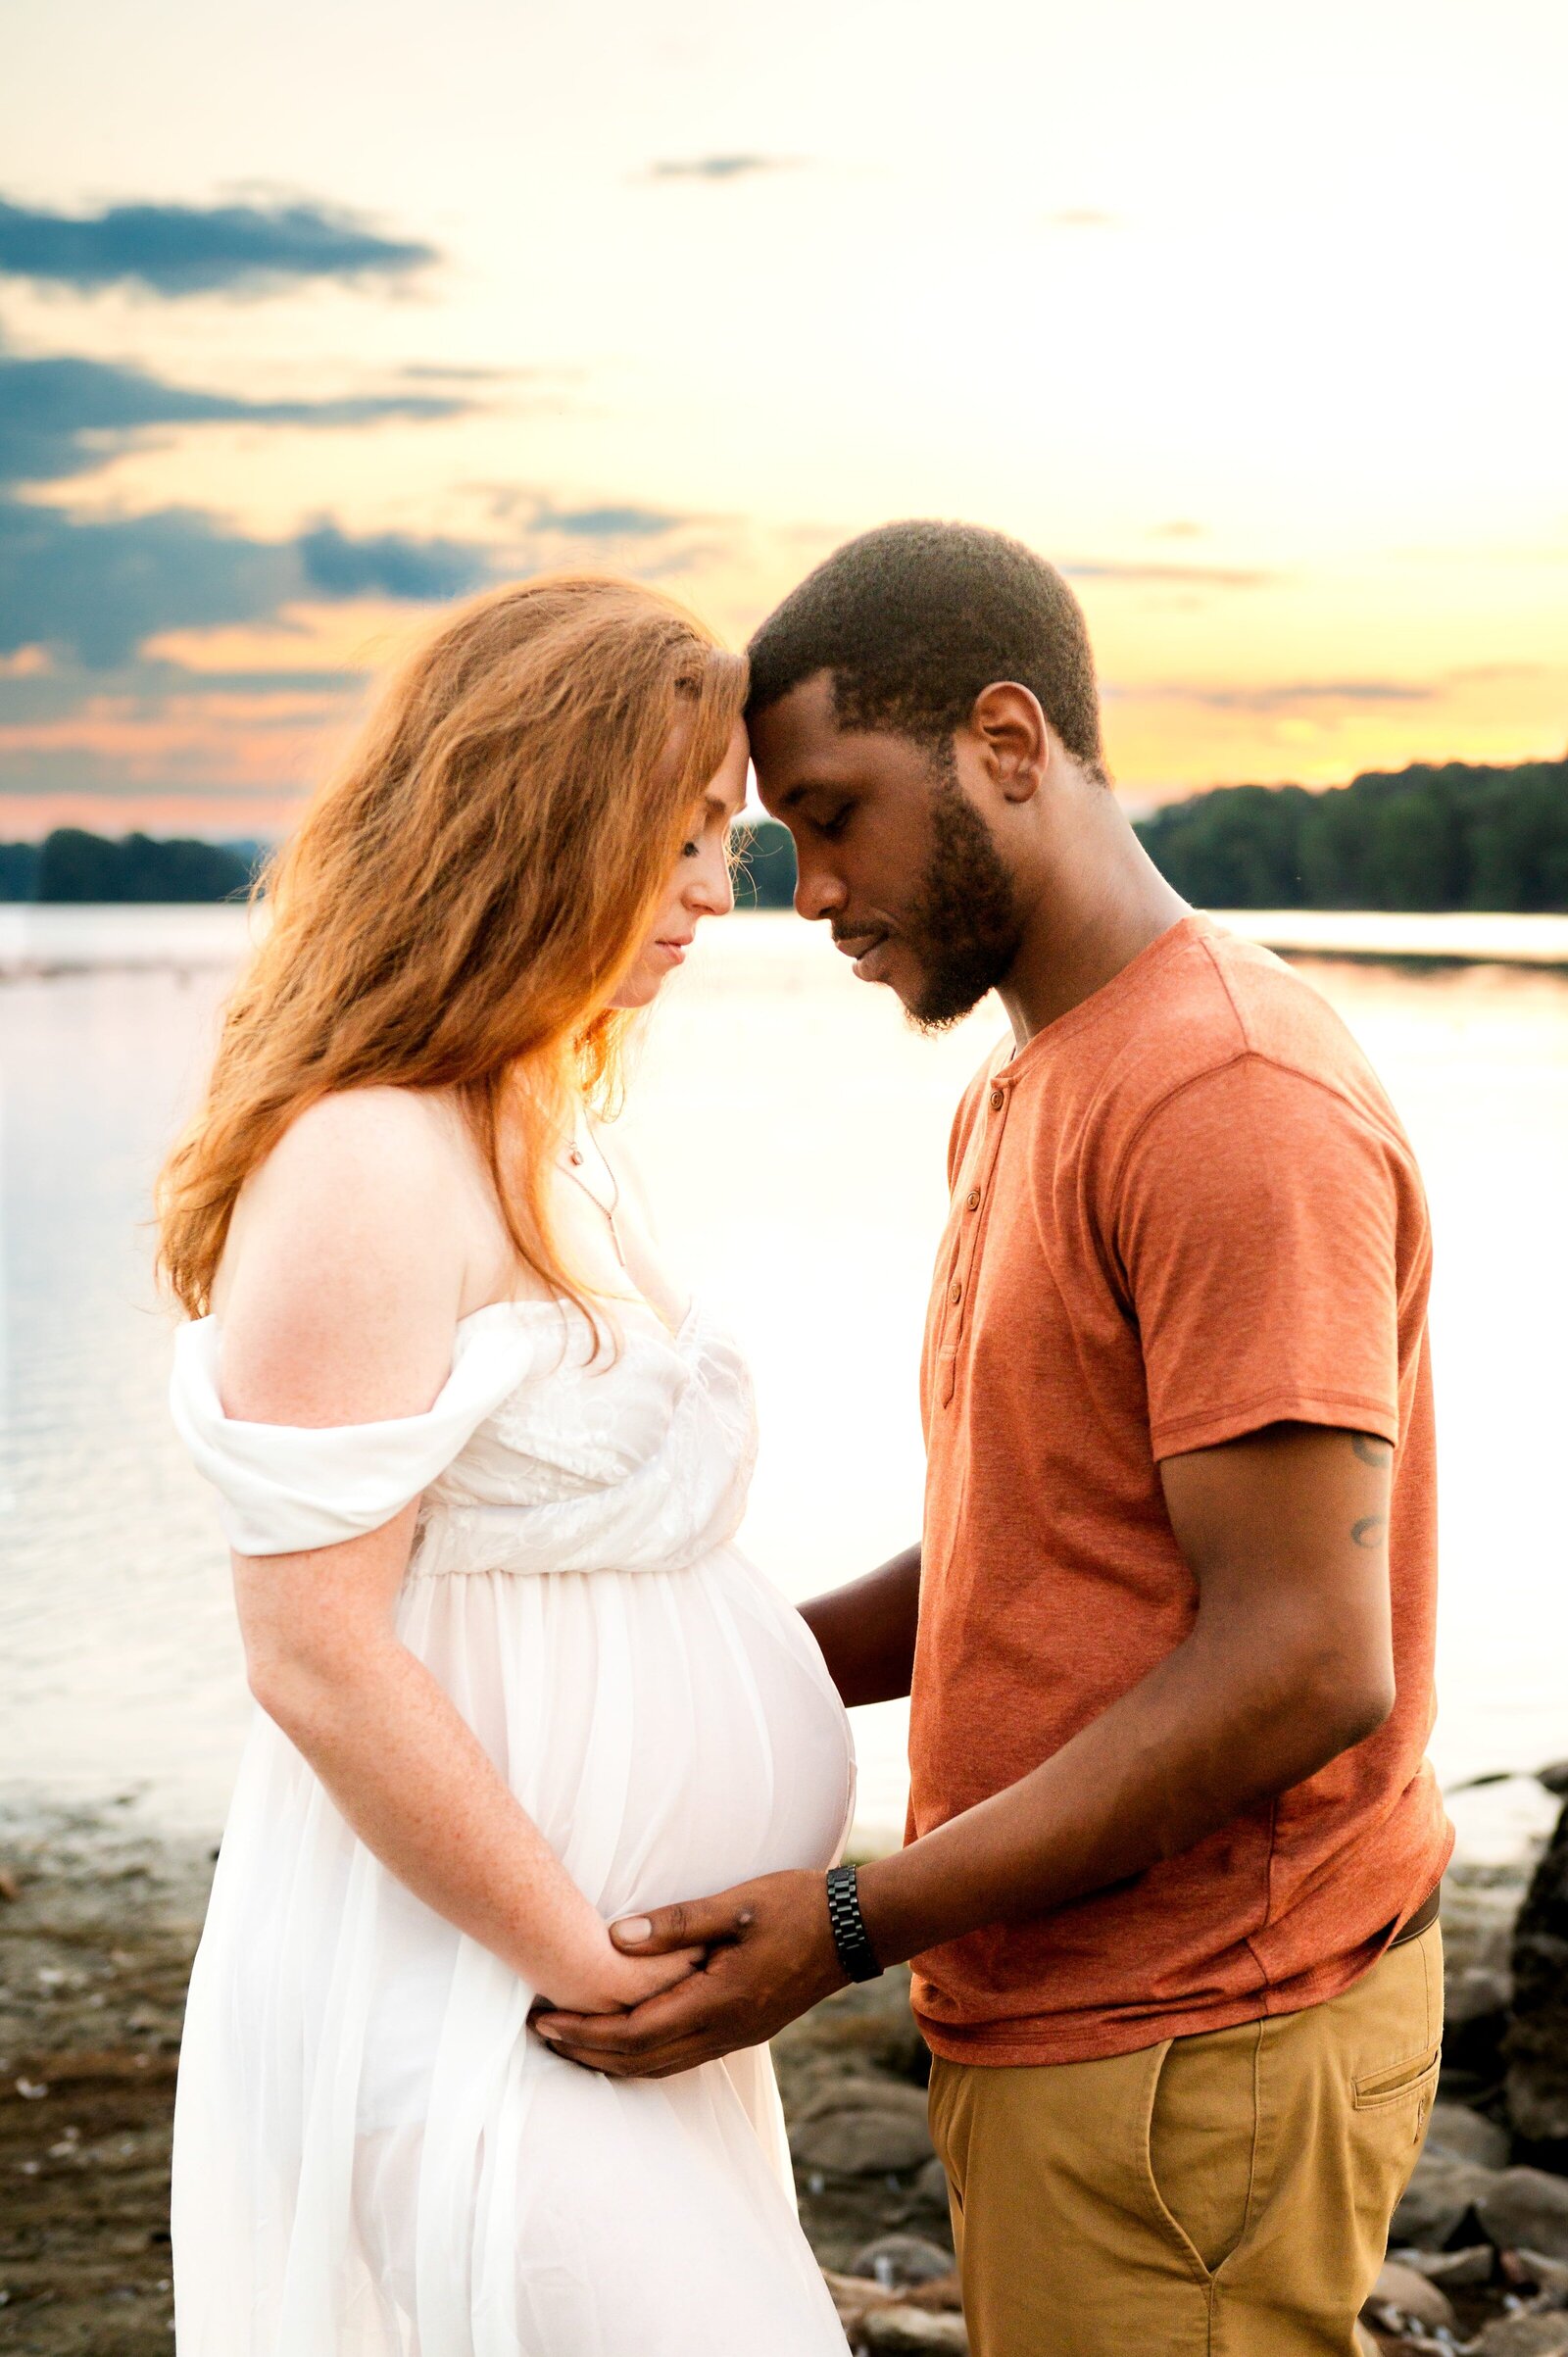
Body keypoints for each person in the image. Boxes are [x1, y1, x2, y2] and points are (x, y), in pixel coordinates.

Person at [535, 522, 1453, 2357]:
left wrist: (851, 1918)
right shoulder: (1043, 1077)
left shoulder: (1227, 1098)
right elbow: (1053, 1543)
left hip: (1198, 2039)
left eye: (833, 814)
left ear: (1008, 747)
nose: (801, 891)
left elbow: (1298, 1657)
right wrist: (689, 1677)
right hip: (1074, 2022)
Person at [158, 575, 855, 2357]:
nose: (723, 889)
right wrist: (588, 1960)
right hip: (475, 1992)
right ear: (545, 821)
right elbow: (313, 1644)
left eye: (731, 840)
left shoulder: (542, 1122)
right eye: (686, 837)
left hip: (593, 2003)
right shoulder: (368, 1157)